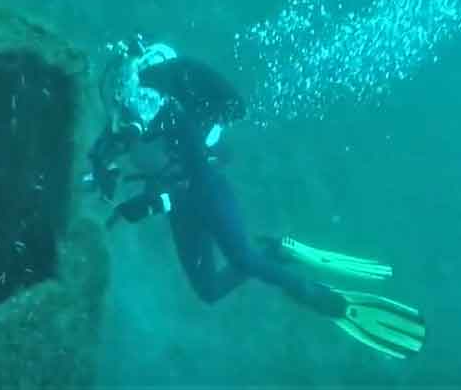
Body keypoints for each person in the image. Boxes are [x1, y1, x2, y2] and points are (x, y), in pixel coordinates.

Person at [86, 36, 426, 360]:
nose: (123, 111)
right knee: (208, 292)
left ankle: (328, 301)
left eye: (129, 99)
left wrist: (153, 202)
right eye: (117, 101)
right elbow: (113, 162)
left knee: (244, 260)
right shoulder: (124, 124)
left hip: (207, 193)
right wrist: (103, 179)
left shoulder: (175, 118)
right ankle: (275, 251)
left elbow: (194, 175)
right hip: (183, 207)